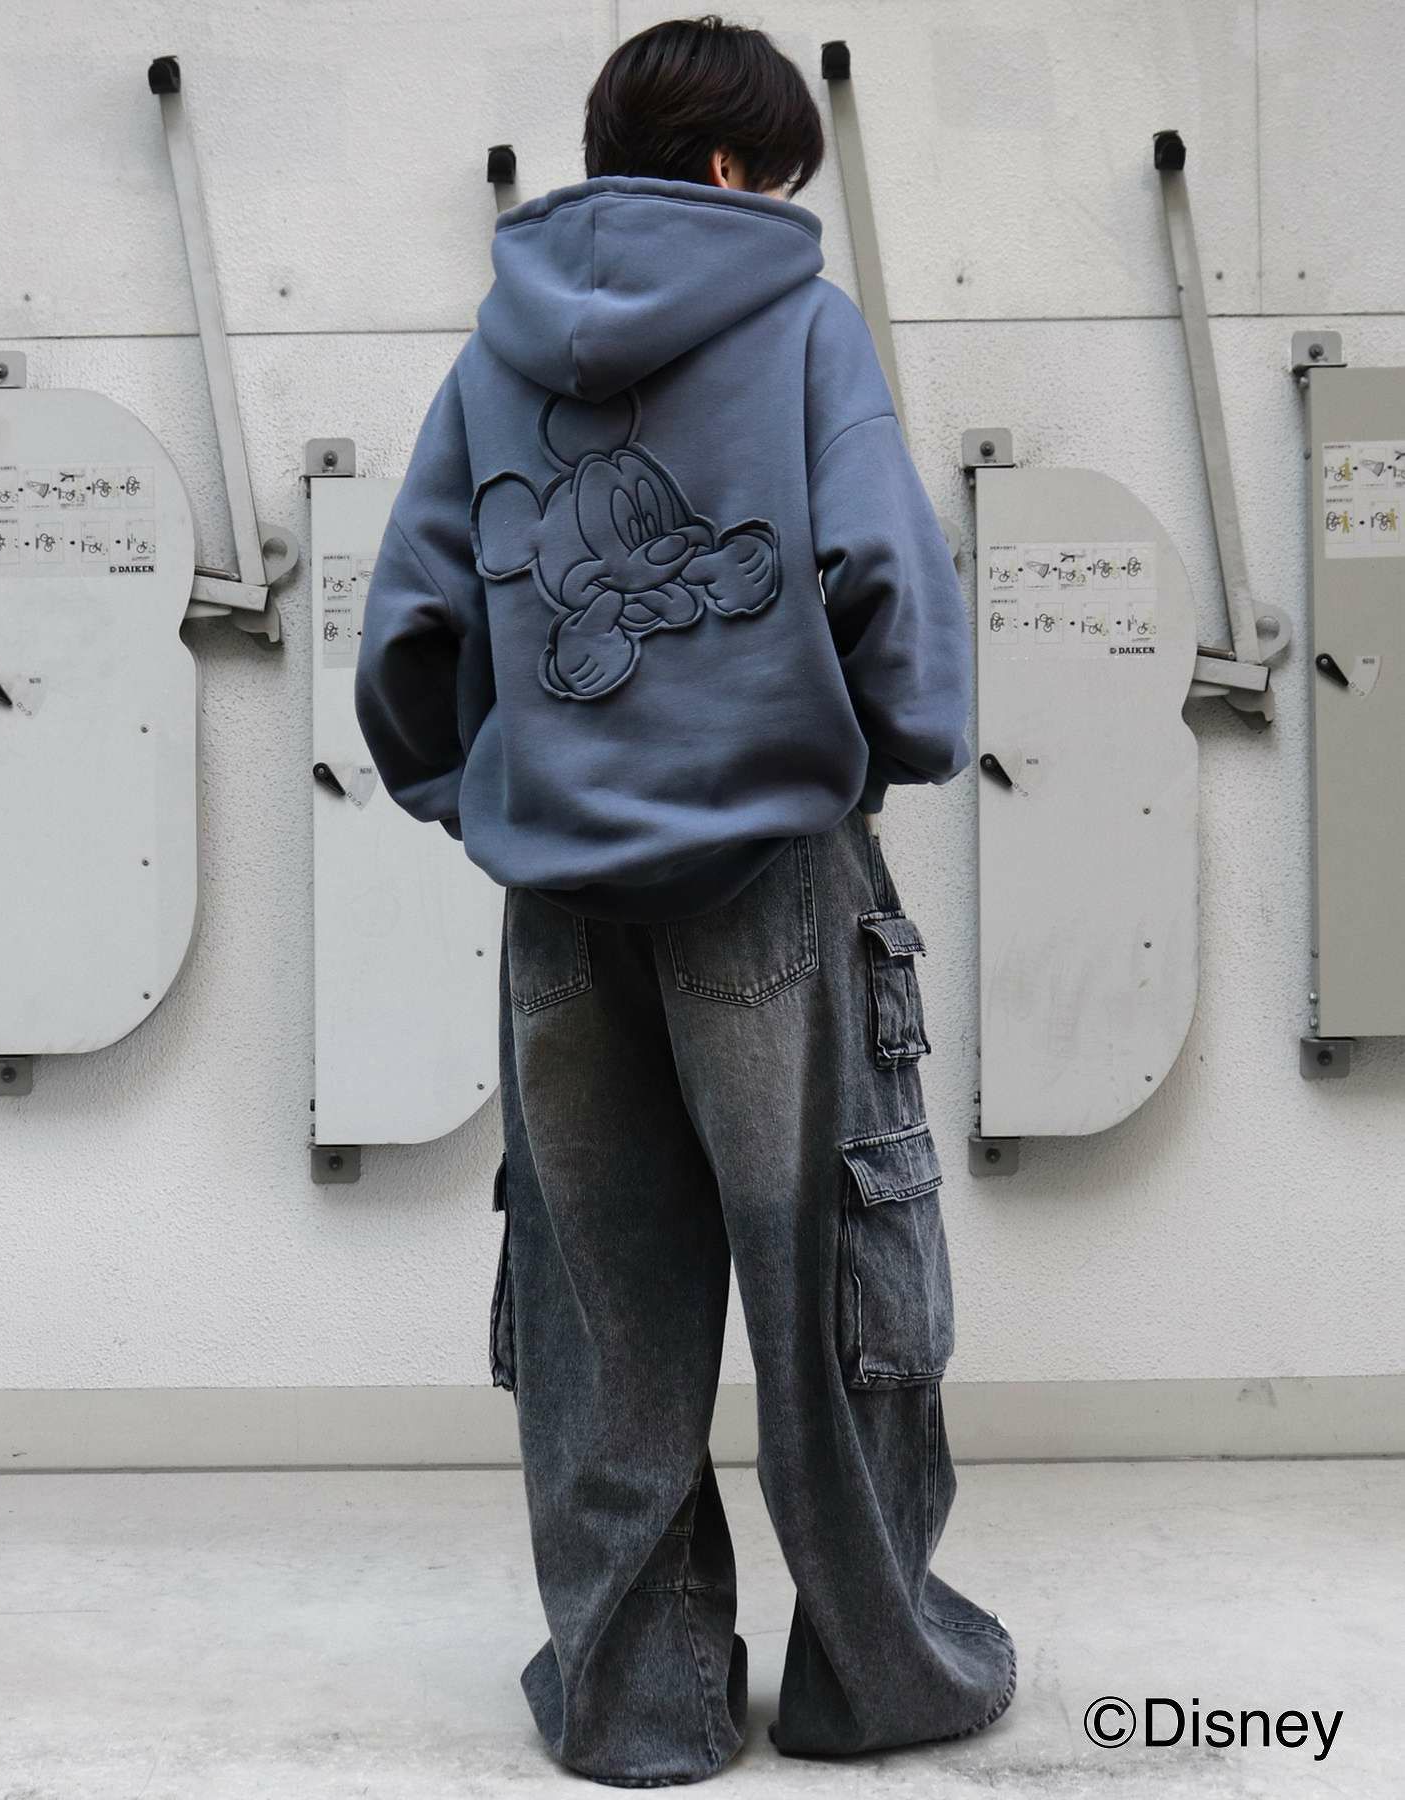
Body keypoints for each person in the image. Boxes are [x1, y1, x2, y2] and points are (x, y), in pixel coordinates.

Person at [354, 13, 1014, 1786]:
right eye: (777, 173)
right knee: (833, 1279)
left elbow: (411, 624)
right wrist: (888, 750)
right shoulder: (800, 323)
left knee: (599, 1300)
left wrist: (478, 791)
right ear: (730, 167)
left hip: (562, 899)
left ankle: (637, 1704)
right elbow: (882, 575)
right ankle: (875, 1678)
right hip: (771, 875)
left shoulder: (493, 349)